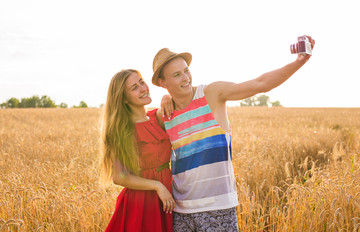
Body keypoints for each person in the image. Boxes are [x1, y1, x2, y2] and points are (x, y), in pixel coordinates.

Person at [152, 36, 315, 232]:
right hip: (181, 212)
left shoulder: (212, 94)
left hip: (218, 209)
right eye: (177, 75)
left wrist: (299, 61)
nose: (186, 78)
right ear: (162, 82)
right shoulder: (164, 115)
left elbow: (260, 83)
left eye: (186, 70)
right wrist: (165, 98)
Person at [101, 69, 175, 232]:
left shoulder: (157, 118)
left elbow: (182, 102)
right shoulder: (121, 130)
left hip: (169, 193)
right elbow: (119, 177)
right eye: (134, 87)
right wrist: (157, 186)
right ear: (124, 99)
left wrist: (167, 96)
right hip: (142, 202)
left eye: (141, 81)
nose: (143, 88)